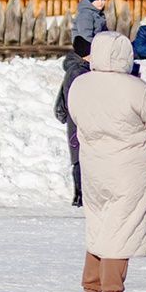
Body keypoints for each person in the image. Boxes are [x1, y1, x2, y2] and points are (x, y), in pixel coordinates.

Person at [68, 32, 146, 292]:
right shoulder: (133, 88)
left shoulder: (80, 84)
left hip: (93, 166)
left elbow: (75, 116)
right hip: (127, 167)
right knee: (121, 229)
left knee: (99, 226)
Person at [52, 36, 91, 208]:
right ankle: (80, 194)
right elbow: (74, 99)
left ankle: (80, 194)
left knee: (80, 155)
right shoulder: (78, 71)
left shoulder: (79, 68)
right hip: (77, 119)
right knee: (80, 156)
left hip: (76, 119)